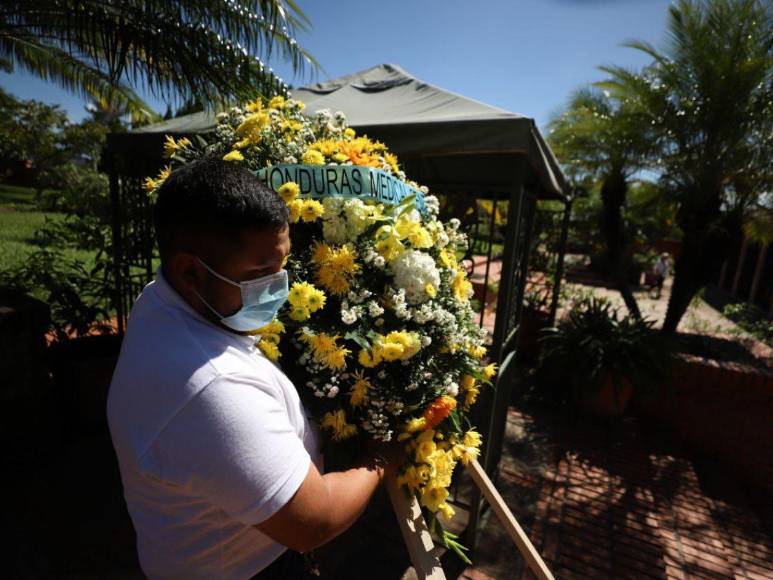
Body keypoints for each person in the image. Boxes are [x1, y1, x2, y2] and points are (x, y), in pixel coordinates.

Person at [107, 158, 398, 580]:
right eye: (261, 273)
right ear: (189, 270)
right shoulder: (209, 388)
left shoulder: (165, 301)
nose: (278, 287)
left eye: (281, 266)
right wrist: (379, 456)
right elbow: (311, 521)